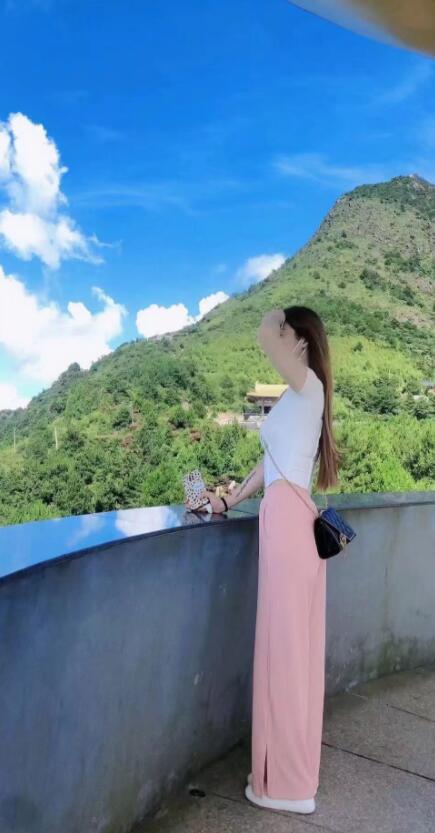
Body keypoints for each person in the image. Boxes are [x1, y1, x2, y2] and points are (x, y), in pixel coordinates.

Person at [187, 305, 340, 815]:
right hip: (285, 519)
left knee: (286, 654)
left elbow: (262, 333)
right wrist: (227, 500)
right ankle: (281, 774)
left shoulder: (308, 383)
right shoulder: (299, 397)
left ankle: (290, 787)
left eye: (285, 330)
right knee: (286, 651)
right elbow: (268, 464)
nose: (275, 334)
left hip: (288, 526)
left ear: (300, 342)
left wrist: (277, 313)